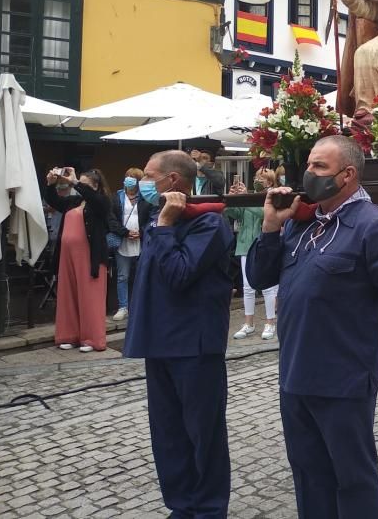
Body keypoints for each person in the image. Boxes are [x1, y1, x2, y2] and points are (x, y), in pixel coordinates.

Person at [247, 136, 378, 518]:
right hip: (294, 376)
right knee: (309, 476)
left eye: (319, 167)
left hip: (343, 380)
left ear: (348, 175)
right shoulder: (300, 224)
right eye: (309, 165)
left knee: (352, 478)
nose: (308, 173)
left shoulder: (374, 226)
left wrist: (354, 316)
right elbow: (260, 278)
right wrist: (271, 227)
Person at [124, 150, 235, 518]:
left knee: (203, 435)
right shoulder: (160, 218)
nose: (143, 182)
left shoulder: (209, 224)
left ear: (172, 181)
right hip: (160, 342)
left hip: (194, 346)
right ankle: (181, 505)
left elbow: (178, 274)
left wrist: (167, 226)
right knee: (168, 434)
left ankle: (209, 509)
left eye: (150, 175)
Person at [45, 167, 112, 353]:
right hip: (67, 256)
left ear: (95, 186)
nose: (80, 186)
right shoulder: (74, 201)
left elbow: (97, 201)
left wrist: (75, 182)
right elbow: (54, 201)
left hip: (90, 256)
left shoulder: (101, 202)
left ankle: (91, 339)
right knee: (68, 294)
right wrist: (50, 185)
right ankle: (69, 335)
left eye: (84, 184)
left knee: (90, 297)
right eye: (79, 183)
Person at [227, 169, 279, 340]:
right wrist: (232, 199)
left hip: (263, 244)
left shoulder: (272, 197)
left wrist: (246, 198)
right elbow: (235, 214)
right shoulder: (250, 197)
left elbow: (264, 214)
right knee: (248, 287)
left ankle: (270, 322)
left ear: (270, 182)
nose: (257, 180)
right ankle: (248, 323)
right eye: (256, 177)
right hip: (244, 244)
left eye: (262, 178)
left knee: (268, 287)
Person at [111, 168, 151, 322]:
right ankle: (123, 307)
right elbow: (112, 218)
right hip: (123, 241)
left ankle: (140, 306)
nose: (129, 179)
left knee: (141, 275)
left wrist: (141, 232)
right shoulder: (117, 197)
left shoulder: (146, 198)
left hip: (141, 241)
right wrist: (124, 232)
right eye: (127, 176)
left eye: (133, 177)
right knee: (123, 276)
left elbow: (151, 218)